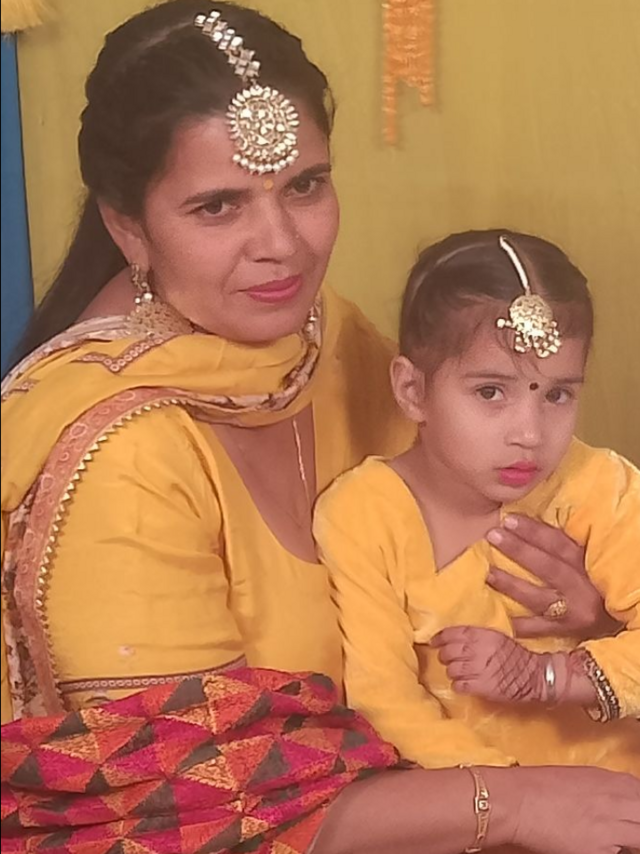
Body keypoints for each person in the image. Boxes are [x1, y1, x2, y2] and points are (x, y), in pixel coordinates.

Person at [1, 4, 638, 852]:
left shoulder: (319, 338)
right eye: (218, 206)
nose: (282, 245)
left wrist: (584, 623)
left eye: (304, 186)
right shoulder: (120, 458)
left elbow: (452, 552)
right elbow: (188, 810)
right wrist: (514, 802)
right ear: (127, 226)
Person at [314, 229, 640, 776]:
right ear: (413, 390)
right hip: (471, 803)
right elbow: (386, 702)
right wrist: (514, 800)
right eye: (491, 392)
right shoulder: (363, 514)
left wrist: (550, 676)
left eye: (557, 394)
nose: (529, 434)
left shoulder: (598, 486)